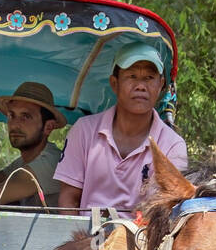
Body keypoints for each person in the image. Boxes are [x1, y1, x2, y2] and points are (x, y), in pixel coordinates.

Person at [55, 43, 188, 214]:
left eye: (149, 78)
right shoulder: (84, 130)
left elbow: (166, 210)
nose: (141, 86)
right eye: (132, 76)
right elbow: (69, 199)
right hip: (86, 230)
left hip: (142, 231)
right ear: (114, 83)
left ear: (160, 85)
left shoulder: (173, 144)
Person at [0, 82, 66, 208]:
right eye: (11, 115)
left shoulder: (51, 162)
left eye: (26, 116)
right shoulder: (22, 162)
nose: (14, 124)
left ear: (48, 127)